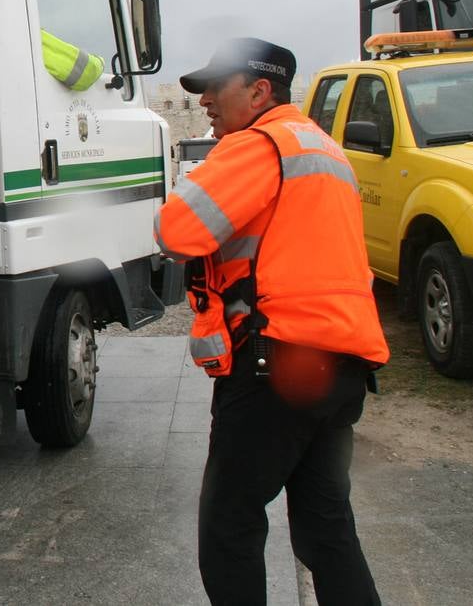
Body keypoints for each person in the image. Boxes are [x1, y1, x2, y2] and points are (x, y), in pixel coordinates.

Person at [154, 37, 390, 606]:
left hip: (276, 366)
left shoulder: (257, 144)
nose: (206, 100)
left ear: (260, 91)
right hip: (343, 368)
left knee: (229, 522)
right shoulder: (326, 150)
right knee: (326, 527)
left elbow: (177, 231)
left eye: (217, 87)